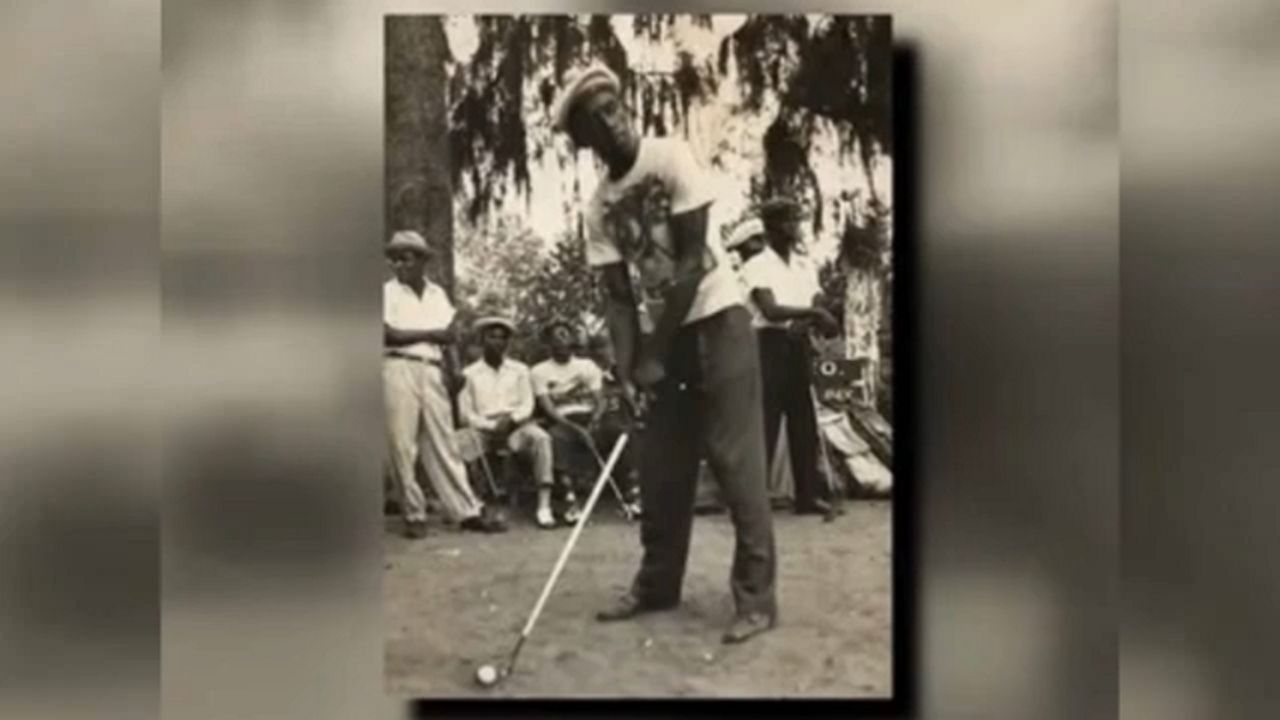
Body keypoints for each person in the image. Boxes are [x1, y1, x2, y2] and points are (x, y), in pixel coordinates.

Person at [552, 63, 777, 644]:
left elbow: (692, 263)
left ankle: (756, 600)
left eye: (614, 105)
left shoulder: (670, 156)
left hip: (718, 320)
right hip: (664, 339)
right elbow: (619, 299)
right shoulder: (599, 208)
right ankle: (657, 586)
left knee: (736, 462)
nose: (614, 119)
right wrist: (627, 372)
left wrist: (654, 353)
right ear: (583, 139)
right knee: (660, 465)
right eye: (597, 117)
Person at [382, 230, 507, 538]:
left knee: (443, 441)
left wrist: (453, 369)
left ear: (422, 260)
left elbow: (449, 337)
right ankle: (413, 512)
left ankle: (466, 510)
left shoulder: (437, 293)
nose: (399, 264)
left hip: (432, 368)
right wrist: (431, 334)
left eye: (407, 257)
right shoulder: (387, 292)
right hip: (398, 366)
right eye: (395, 258)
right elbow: (389, 335)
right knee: (401, 443)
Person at [741, 198, 843, 517]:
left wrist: (812, 319)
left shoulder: (802, 265)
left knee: (804, 422)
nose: (795, 227)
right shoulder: (757, 265)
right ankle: (752, 500)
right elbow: (770, 310)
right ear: (770, 227)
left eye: (796, 220)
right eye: (787, 221)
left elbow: (814, 300)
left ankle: (807, 496)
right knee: (766, 422)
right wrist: (814, 313)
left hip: (796, 345)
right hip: (768, 345)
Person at [458, 316, 566, 530]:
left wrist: (512, 420)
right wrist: (490, 426)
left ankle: (544, 506)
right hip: (483, 429)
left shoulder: (520, 370)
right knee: (454, 443)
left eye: (502, 338)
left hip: (517, 427)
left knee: (541, 439)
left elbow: (527, 404)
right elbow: (465, 413)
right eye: (491, 337)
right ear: (482, 340)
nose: (497, 342)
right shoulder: (469, 374)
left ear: (508, 342)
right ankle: (470, 503)